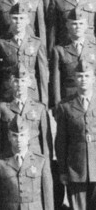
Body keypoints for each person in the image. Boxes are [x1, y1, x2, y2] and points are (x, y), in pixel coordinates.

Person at [55, 58, 96, 210]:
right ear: (75, 78)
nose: (83, 79)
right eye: (79, 76)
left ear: (93, 78)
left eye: (87, 75)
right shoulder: (65, 106)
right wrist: (63, 171)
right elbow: (61, 141)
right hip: (76, 169)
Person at [0, 115, 54, 210]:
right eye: (14, 135)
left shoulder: (40, 161)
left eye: (22, 135)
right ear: (9, 137)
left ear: (28, 137)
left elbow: (47, 196)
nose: (19, 140)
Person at [0, 3, 49, 105]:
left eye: (22, 18)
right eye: (15, 18)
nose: (18, 22)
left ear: (27, 20)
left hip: (31, 92)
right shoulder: (0, 43)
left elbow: (42, 74)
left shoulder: (36, 43)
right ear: (9, 19)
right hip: (8, 93)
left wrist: (44, 102)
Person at [0, 64, 51, 160]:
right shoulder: (1, 108)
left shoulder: (39, 108)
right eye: (15, 81)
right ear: (10, 83)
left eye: (23, 81)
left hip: (34, 161)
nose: (19, 85)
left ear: (29, 82)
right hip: (9, 160)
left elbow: (46, 142)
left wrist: (46, 164)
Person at [50, 9, 96, 108]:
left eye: (80, 23)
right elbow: (56, 81)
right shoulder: (59, 50)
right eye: (74, 24)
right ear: (67, 25)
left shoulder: (94, 48)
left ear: (86, 25)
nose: (78, 27)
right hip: (69, 100)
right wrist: (58, 105)